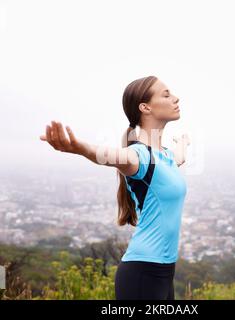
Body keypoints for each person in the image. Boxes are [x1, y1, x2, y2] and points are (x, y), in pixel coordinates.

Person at [39, 75, 190, 300]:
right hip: (142, 273)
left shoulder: (165, 157)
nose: (176, 98)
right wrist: (79, 147)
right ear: (145, 107)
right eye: (166, 94)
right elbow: (109, 156)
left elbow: (177, 159)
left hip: (164, 273)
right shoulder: (139, 156)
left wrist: (183, 145)